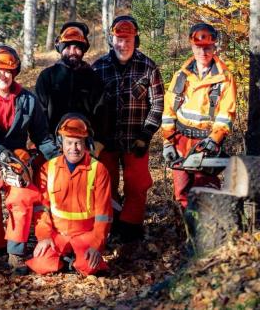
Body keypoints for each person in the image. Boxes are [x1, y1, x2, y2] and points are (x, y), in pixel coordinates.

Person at [0, 45, 58, 273]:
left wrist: (57, 158)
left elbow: (41, 135)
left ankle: (15, 251)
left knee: (21, 200)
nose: (3, 76)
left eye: (8, 72)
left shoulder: (28, 101)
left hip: (17, 162)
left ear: (15, 73)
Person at [92, 15, 164, 242]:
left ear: (136, 41)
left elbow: (158, 104)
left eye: (128, 40)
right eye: (119, 39)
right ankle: (111, 224)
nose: (123, 45)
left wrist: (146, 135)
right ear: (111, 39)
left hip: (136, 140)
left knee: (138, 184)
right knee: (106, 185)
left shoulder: (148, 67)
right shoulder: (98, 68)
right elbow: (90, 106)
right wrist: (95, 137)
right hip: (106, 140)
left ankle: (131, 228)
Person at [26, 114, 113, 276]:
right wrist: (44, 237)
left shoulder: (98, 170)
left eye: (78, 143)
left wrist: (96, 245)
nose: (74, 148)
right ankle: (67, 261)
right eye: (69, 143)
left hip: (87, 235)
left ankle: (72, 261)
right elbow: (41, 208)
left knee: (91, 267)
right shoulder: (47, 168)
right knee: (40, 264)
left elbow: (104, 215)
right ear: (61, 144)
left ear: (86, 144)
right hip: (58, 235)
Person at [161, 23, 236, 208]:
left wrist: (214, 139)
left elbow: (226, 114)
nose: (203, 52)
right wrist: (167, 142)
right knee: (182, 191)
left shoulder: (224, 78)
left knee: (206, 189)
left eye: (208, 48)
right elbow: (169, 111)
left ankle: (210, 231)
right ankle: (189, 230)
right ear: (192, 46)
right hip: (180, 140)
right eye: (199, 48)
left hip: (206, 142)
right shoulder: (181, 75)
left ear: (214, 47)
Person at [35, 22, 96, 134]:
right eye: (67, 47)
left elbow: (101, 117)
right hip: (53, 143)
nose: (72, 52)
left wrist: (95, 146)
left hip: (85, 143)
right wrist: (47, 145)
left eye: (77, 47)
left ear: (84, 49)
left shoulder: (94, 79)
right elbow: (38, 117)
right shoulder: (46, 77)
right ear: (60, 48)